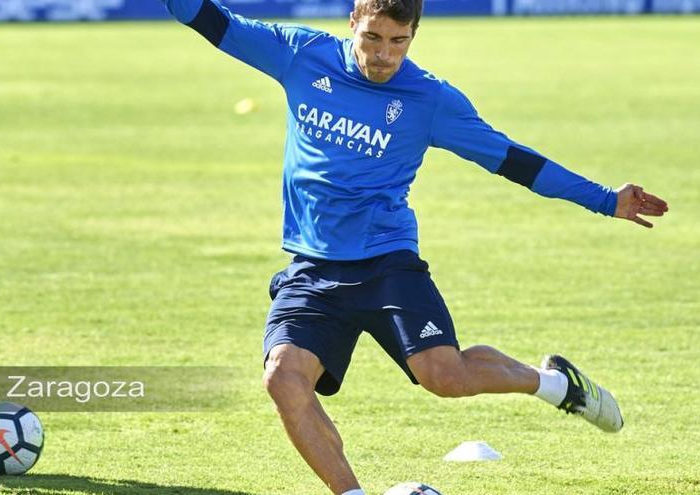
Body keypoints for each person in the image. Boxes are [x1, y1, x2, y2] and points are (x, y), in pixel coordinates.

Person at [159, 0, 669, 493]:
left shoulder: (429, 100)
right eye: (373, 38)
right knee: (283, 379)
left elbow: (514, 160)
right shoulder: (301, 54)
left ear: (414, 35)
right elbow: (203, 16)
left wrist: (605, 200)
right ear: (352, 21)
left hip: (386, 262)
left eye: (398, 42)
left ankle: (555, 385)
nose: (384, 55)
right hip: (313, 268)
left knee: (444, 377)